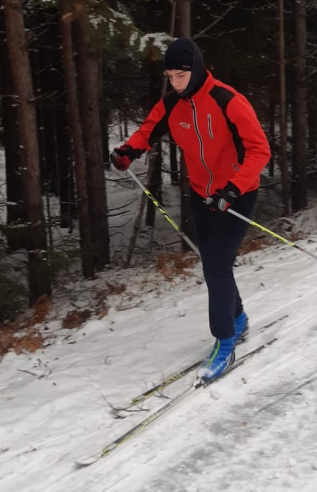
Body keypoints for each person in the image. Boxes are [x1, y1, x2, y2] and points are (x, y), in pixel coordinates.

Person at [110, 38, 271, 381]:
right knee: (216, 262)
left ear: (196, 70)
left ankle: (224, 342)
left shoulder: (227, 100)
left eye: (180, 75)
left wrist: (233, 188)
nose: (175, 82)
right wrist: (128, 151)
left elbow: (259, 150)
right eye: (170, 75)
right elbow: (147, 131)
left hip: (237, 195)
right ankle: (238, 319)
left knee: (215, 264)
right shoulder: (172, 104)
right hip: (202, 196)